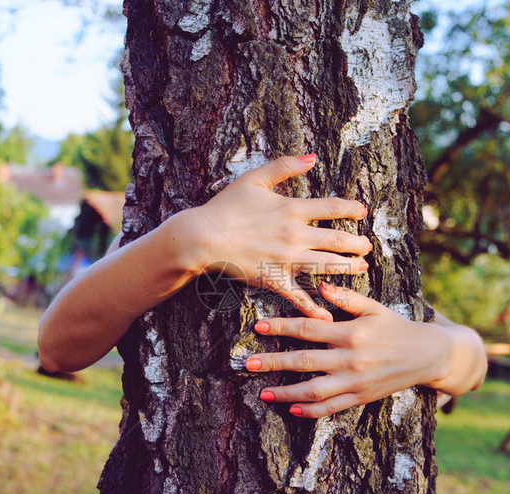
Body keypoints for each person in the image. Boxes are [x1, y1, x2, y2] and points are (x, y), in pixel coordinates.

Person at [38, 154, 486, 418]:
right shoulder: (153, 237)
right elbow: (58, 348)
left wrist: (433, 353)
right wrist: (193, 239)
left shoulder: (366, 270)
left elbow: (474, 360)